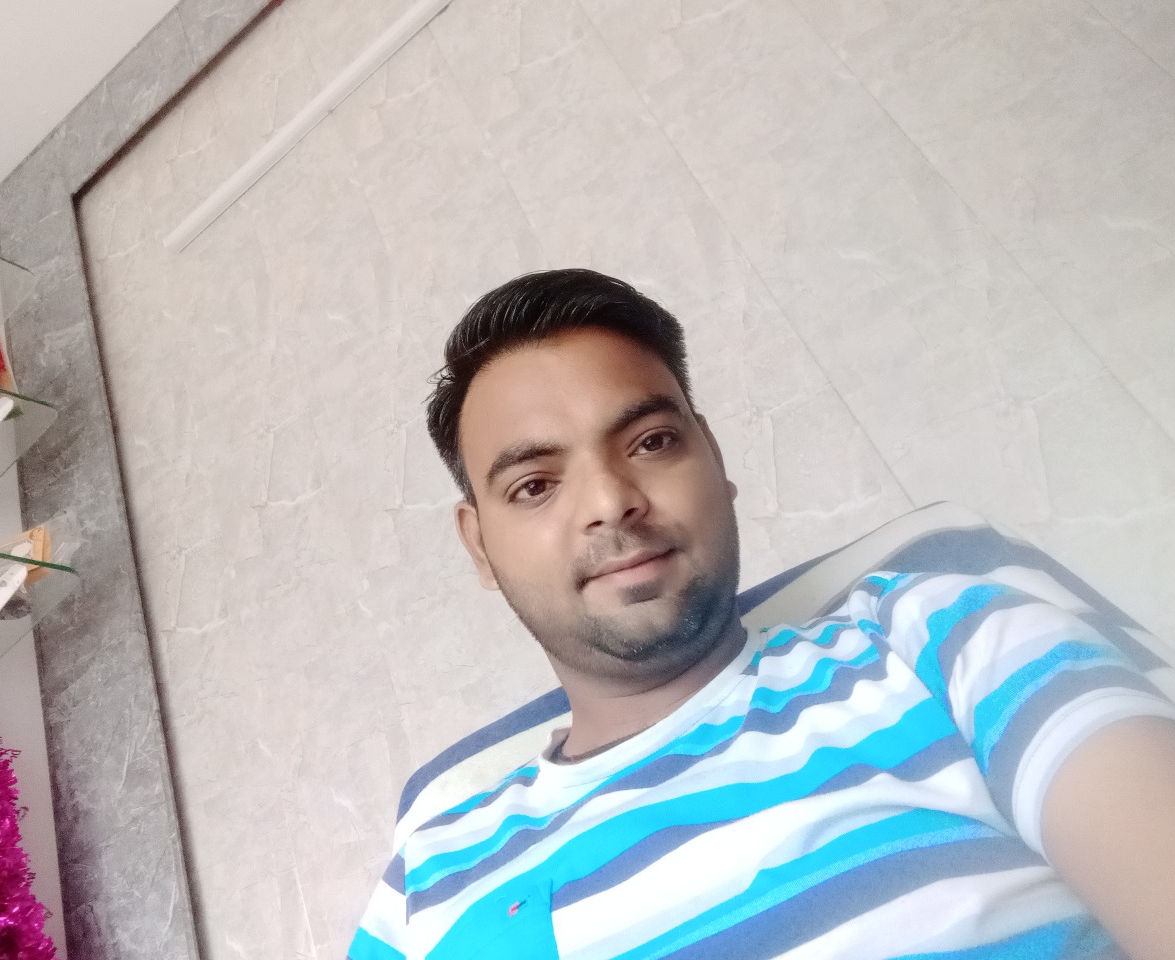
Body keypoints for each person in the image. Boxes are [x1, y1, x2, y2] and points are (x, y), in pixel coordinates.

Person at [347, 269, 1175, 960]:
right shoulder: (431, 872)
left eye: (650, 443)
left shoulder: (938, 636)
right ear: (480, 546)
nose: (609, 501)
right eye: (535, 485)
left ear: (713, 455)